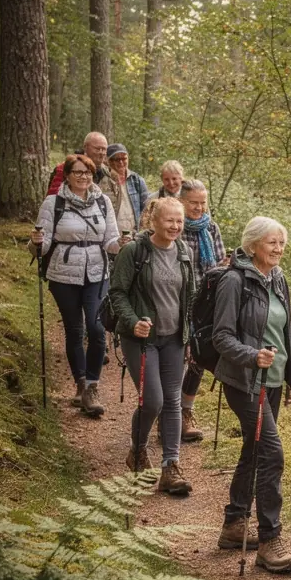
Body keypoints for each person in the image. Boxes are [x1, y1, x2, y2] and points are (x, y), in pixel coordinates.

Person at [212, 217, 291, 574]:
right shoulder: (234, 281)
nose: (278, 249)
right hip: (244, 381)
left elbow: (287, 331)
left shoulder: (278, 278)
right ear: (252, 246)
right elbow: (221, 337)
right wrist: (252, 356)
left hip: (273, 381)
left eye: (281, 242)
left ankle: (234, 524)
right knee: (272, 453)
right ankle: (269, 540)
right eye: (271, 243)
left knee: (255, 448)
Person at [109, 197, 195, 496]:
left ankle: (170, 466)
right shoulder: (134, 251)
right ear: (153, 220)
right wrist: (133, 322)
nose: (175, 226)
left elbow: (189, 298)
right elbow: (117, 293)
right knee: (153, 401)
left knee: (172, 401)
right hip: (141, 339)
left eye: (179, 221)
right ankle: (138, 449)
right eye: (169, 220)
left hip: (173, 338)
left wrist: (188, 335)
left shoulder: (184, 252)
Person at [31, 153, 119, 417]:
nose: (83, 177)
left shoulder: (103, 201)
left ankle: (92, 386)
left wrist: (122, 245)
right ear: (67, 176)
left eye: (88, 172)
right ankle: (80, 384)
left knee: (96, 327)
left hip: (97, 272)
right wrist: (35, 242)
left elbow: (110, 239)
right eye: (78, 172)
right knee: (74, 329)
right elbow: (42, 245)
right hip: (63, 274)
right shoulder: (53, 203)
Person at [178, 179, 228, 441]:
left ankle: (185, 411)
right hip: (175, 299)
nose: (199, 208)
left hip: (204, 303)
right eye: (193, 203)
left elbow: (218, 264)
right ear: (181, 201)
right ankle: (168, 412)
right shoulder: (174, 224)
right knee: (176, 357)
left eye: (202, 203)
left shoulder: (211, 227)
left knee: (199, 357)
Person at [102, 143, 149, 245]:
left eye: (124, 158)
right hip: (111, 237)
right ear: (109, 161)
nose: (121, 162)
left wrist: (141, 234)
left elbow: (146, 210)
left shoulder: (137, 180)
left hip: (134, 236)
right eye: (117, 159)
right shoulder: (103, 181)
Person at [46, 132, 111, 195]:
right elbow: (54, 196)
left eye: (104, 149)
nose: (101, 152)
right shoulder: (67, 167)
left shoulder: (106, 171)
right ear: (85, 147)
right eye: (97, 149)